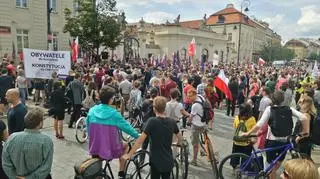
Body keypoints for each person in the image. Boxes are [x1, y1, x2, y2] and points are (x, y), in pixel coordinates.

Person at [243, 91, 306, 179]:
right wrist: (303, 132)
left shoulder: (269, 109)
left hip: (271, 141)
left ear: (273, 99)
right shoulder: (289, 109)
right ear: (283, 99)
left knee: (268, 165)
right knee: (276, 165)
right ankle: (269, 174)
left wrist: (248, 133)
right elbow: (303, 117)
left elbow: (260, 124)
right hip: (284, 142)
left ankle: (267, 174)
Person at [86, 86, 140, 179]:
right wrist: (138, 135)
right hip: (110, 148)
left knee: (95, 168)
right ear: (111, 100)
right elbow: (127, 128)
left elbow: (88, 128)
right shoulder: (114, 114)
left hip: (94, 146)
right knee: (126, 146)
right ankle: (121, 173)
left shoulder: (92, 110)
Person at [124, 96, 182, 179]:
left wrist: (130, 154)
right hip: (168, 160)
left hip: (156, 160)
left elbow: (140, 140)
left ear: (154, 108)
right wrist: (178, 143)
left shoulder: (152, 121)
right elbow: (179, 135)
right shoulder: (171, 121)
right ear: (165, 108)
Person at [2, 108, 53, 179]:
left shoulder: (11, 138)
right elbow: (46, 167)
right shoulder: (46, 141)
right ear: (40, 123)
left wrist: (14, 177)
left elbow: (5, 162)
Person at [230, 103, 256, 170]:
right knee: (246, 156)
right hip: (246, 142)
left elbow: (235, 126)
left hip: (237, 141)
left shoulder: (236, 118)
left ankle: (234, 165)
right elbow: (254, 130)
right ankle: (244, 168)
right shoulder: (252, 119)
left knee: (235, 154)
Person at [187, 88, 206, 166]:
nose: (189, 98)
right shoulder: (201, 97)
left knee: (194, 143)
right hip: (204, 123)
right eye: (188, 96)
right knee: (201, 138)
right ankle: (203, 150)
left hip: (196, 125)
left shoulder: (195, 105)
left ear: (194, 95)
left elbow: (191, 117)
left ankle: (194, 160)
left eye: (191, 96)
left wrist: (188, 122)